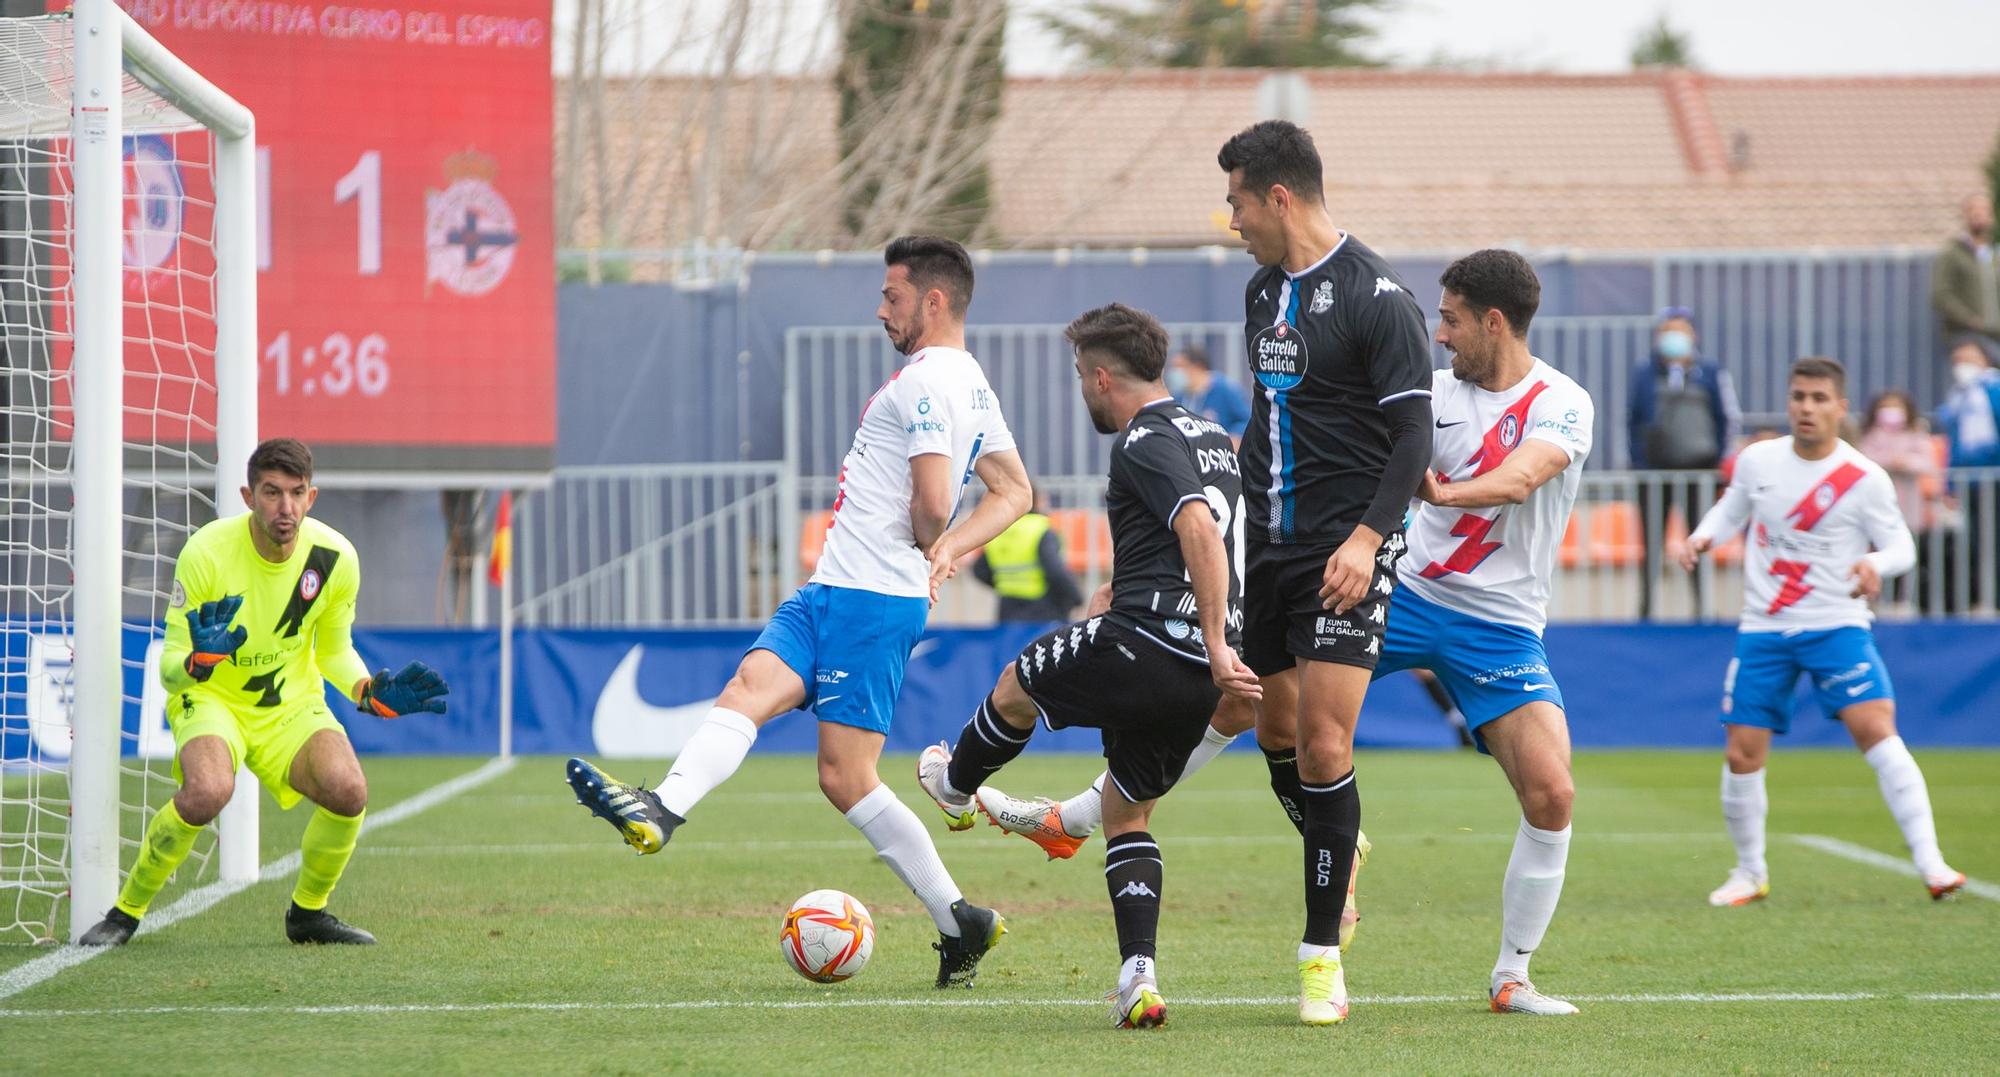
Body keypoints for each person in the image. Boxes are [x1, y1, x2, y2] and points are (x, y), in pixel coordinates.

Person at [984, 250, 1591, 1017]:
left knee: (1552, 790)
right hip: (1395, 588)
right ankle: (1083, 814)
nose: (1439, 335)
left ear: (1494, 322)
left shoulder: (1562, 402)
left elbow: (1522, 478)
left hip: (1499, 625)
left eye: (1452, 319)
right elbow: (1303, 448)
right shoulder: (1429, 395)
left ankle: (1512, 975)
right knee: (1245, 702)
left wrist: (1434, 488)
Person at [564, 236, 1031, 990]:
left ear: (933, 301)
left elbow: (939, 499)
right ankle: (660, 808)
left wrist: (932, 539)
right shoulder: (971, 383)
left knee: (846, 777)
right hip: (834, 588)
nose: (881, 309)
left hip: (871, 599)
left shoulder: (925, 385)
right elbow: (1015, 489)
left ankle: (959, 919)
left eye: (892, 296)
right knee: (748, 685)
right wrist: (947, 554)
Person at [916, 303, 1259, 1029]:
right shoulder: (1213, 437)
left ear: (1102, 376)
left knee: (1016, 684)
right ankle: (1139, 977)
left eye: (1080, 375)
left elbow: (1197, 525)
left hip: (1150, 642)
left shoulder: (1141, 437)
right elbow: (1196, 533)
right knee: (1126, 811)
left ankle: (953, 786)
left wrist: (1205, 634)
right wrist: (1214, 637)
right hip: (1197, 670)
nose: (1081, 389)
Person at [1214, 120, 1435, 1026]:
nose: (1230, 222)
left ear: (1279, 197)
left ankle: (1319, 962)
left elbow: (1414, 436)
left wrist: (1367, 538)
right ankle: (1340, 843)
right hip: (1267, 546)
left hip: (1345, 552)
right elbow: (1267, 421)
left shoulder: (1381, 298)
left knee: (1324, 746)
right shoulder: (1263, 292)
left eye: (1235, 201)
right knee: (1274, 734)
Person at [78, 438, 450, 947]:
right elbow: (168, 668)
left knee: (350, 791)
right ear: (248, 496)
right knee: (209, 790)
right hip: (213, 699)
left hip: (290, 704)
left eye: (296, 493)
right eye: (272, 493)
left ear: (312, 498)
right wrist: (197, 662)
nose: (286, 507)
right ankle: (125, 914)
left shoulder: (336, 558)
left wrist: (367, 692)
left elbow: (334, 652)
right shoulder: (207, 552)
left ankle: (308, 916)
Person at [1681, 357, 1965, 908]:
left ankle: (1933, 864)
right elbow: (1730, 510)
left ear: (1840, 407)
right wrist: (1700, 538)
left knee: (1877, 730)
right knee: (1742, 753)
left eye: (1818, 398)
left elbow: (1902, 546)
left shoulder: (1864, 478)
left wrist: (1874, 566)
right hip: (1764, 628)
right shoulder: (1758, 460)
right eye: (1798, 397)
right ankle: (1749, 872)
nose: (1806, 408)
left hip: (1836, 623)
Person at [1627, 306, 1741, 620]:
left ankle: (1702, 608)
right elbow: (1634, 420)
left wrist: (1718, 464)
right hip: (1654, 473)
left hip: (1700, 473)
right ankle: (1646, 609)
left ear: (1693, 337)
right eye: (1667, 331)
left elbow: (1725, 419)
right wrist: (1640, 464)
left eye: (1680, 332)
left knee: (1699, 538)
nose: (1673, 338)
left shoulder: (1711, 373)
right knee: (1651, 544)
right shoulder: (1645, 373)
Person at [1857, 390, 1946, 611]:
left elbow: (1928, 463)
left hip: (1908, 507)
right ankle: (1875, 600)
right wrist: (1889, 460)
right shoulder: (1871, 434)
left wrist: (1905, 462)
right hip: (1875, 508)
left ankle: (1903, 601)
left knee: (1906, 554)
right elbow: (1862, 459)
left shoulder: (1916, 433)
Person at [1936, 337, 2000, 610]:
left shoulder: (1992, 390)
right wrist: (1948, 485)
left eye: (1970, 359)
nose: (1963, 366)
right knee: (1976, 545)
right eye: (1958, 361)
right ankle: (1983, 598)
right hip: (1970, 485)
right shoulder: (1958, 398)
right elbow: (1954, 445)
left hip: (1994, 480)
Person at [970, 485, 1085, 621]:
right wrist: (1076, 598)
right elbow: (1055, 571)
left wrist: (1005, 585)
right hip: (1043, 611)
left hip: (1007, 609)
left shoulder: (999, 530)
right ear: (1034, 501)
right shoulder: (1040, 529)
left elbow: (979, 570)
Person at [1930, 194, 2000, 372]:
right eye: (1973, 209)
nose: (1978, 214)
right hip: (1965, 337)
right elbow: (1941, 295)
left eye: (1983, 210)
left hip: (1995, 335)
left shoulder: (1993, 255)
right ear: (1965, 215)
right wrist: (1970, 320)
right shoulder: (1953, 253)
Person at [1165, 345, 1252, 445]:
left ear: (1198, 367)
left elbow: (1246, 419)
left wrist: (1234, 437)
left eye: (1180, 367)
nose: (1176, 373)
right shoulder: (1178, 397)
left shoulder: (1226, 389)